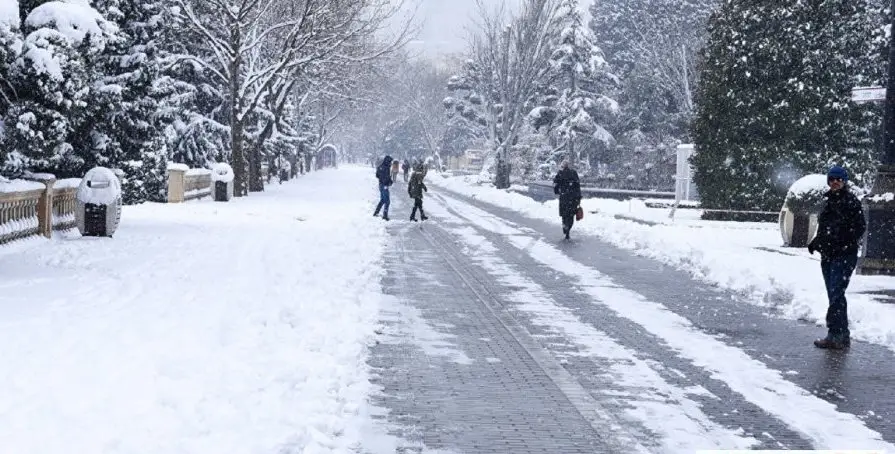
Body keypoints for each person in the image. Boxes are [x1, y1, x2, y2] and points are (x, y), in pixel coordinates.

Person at [808, 165, 866, 349]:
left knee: (836, 294)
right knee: (834, 294)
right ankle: (841, 334)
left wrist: (843, 241)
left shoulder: (851, 202)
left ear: (844, 181)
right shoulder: (829, 202)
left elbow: (859, 228)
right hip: (829, 255)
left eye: (838, 179)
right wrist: (817, 241)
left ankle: (836, 334)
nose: (835, 182)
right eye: (832, 179)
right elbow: (826, 227)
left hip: (843, 255)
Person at [553, 160, 582, 240]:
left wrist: (558, 191)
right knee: (571, 215)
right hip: (572, 199)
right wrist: (578, 197)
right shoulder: (573, 173)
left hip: (563, 198)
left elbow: (555, 184)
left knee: (564, 215)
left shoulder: (560, 173)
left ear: (563, 166)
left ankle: (565, 227)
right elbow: (577, 186)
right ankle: (568, 229)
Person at [373, 155, 394, 221]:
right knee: (387, 201)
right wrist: (389, 182)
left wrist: (382, 179)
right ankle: (385, 215)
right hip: (384, 186)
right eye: (390, 161)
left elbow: (377, 175)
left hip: (381, 185)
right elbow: (387, 177)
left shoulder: (380, 166)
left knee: (382, 200)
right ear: (387, 161)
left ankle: (376, 212)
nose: (391, 163)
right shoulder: (386, 167)